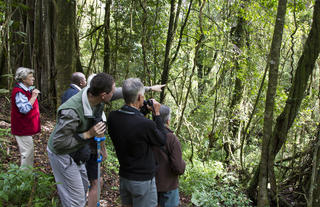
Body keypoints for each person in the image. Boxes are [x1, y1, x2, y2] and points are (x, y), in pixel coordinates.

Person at [47, 73, 114, 207]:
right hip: (61, 153)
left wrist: (147, 89)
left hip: (75, 151)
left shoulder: (94, 96)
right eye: (113, 90)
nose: (115, 92)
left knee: (82, 191)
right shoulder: (72, 111)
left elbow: (122, 92)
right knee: (76, 200)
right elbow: (59, 143)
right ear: (104, 95)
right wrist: (89, 133)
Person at [107, 78, 167, 207]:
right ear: (140, 97)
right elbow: (162, 140)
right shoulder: (146, 124)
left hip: (124, 177)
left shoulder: (112, 117)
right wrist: (157, 114)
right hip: (142, 180)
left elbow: (131, 123)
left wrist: (143, 110)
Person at [152, 105, 186, 207]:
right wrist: (183, 163)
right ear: (168, 121)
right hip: (168, 187)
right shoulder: (172, 138)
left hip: (150, 185)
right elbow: (178, 167)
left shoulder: (148, 134)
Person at [11, 67, 41, 169]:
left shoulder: (26, 90)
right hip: (21, 128)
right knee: (27, 153)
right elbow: (24, 109)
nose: (33, 79)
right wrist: (33, 97)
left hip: (25, 128)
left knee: (29, 152)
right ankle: (23, 181)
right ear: (23, 79)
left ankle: (27, 178)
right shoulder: (19, 92)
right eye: (30, 77)